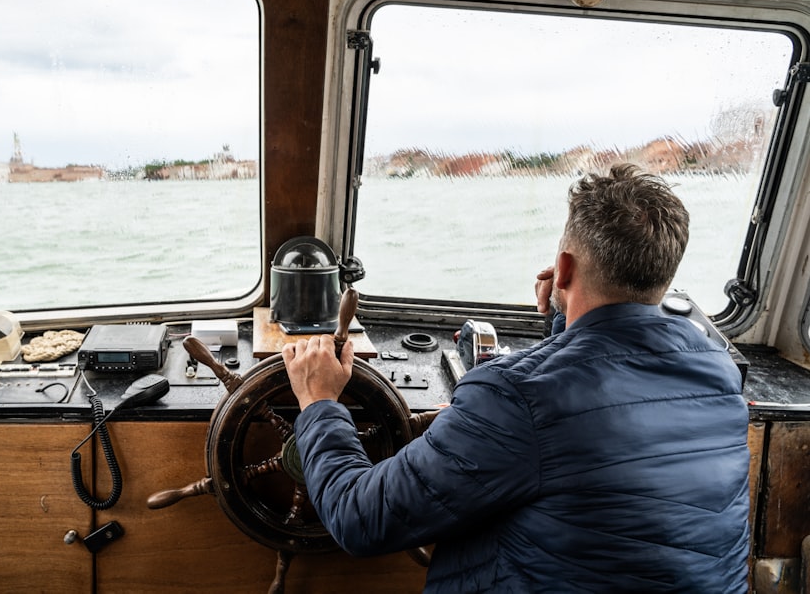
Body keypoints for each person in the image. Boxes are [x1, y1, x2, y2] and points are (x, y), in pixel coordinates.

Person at [281, 164, 750, 593]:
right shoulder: (718, 373)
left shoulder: (514, 398)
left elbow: (361, 520)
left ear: (562, 268)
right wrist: (566, 318)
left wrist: (319, 402)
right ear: (662, 278)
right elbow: (601, 385)